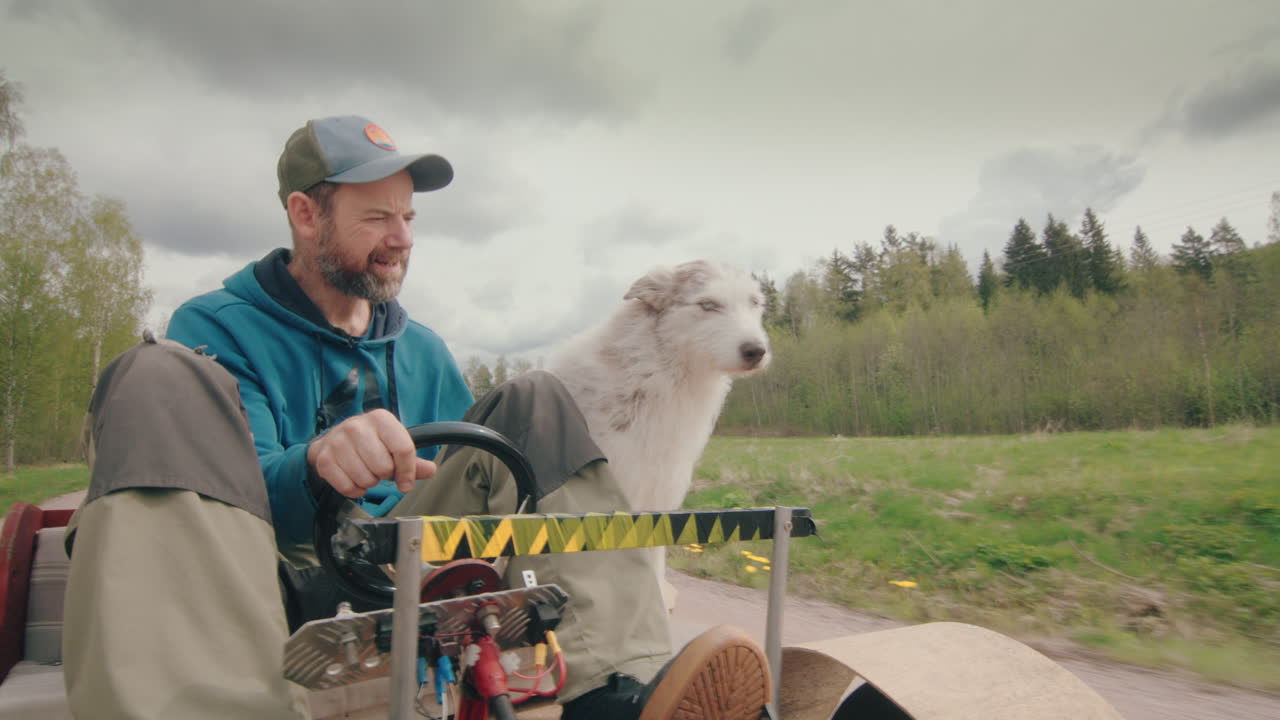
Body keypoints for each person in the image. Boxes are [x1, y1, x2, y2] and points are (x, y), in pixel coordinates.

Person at [61, 115, 770, 719]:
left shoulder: (424, 349)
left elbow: (479, 477)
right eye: (376, 216)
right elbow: (224, 503)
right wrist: (316, 462)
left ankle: (617, 690)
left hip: (402, 568)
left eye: (407, 217)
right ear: (306, 215)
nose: (402, 237)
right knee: (153, 373)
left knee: (539, 399)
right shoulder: (217, 327)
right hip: (274, 575)